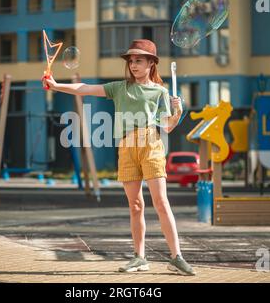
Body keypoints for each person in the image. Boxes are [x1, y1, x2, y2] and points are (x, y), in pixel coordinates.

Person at [42, 39, 196, 276]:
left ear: (151, 64)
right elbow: (84, 89)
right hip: (126, 146)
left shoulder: (161, 92)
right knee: (135, 206)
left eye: (139, 60)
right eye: (131, 61)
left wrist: (178, 112)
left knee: (161, 203)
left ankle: (177, 257)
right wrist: (55, 85)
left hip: (150, 144)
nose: (133, 65)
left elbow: (167, 127)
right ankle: (139, 258)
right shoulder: (118, 87)